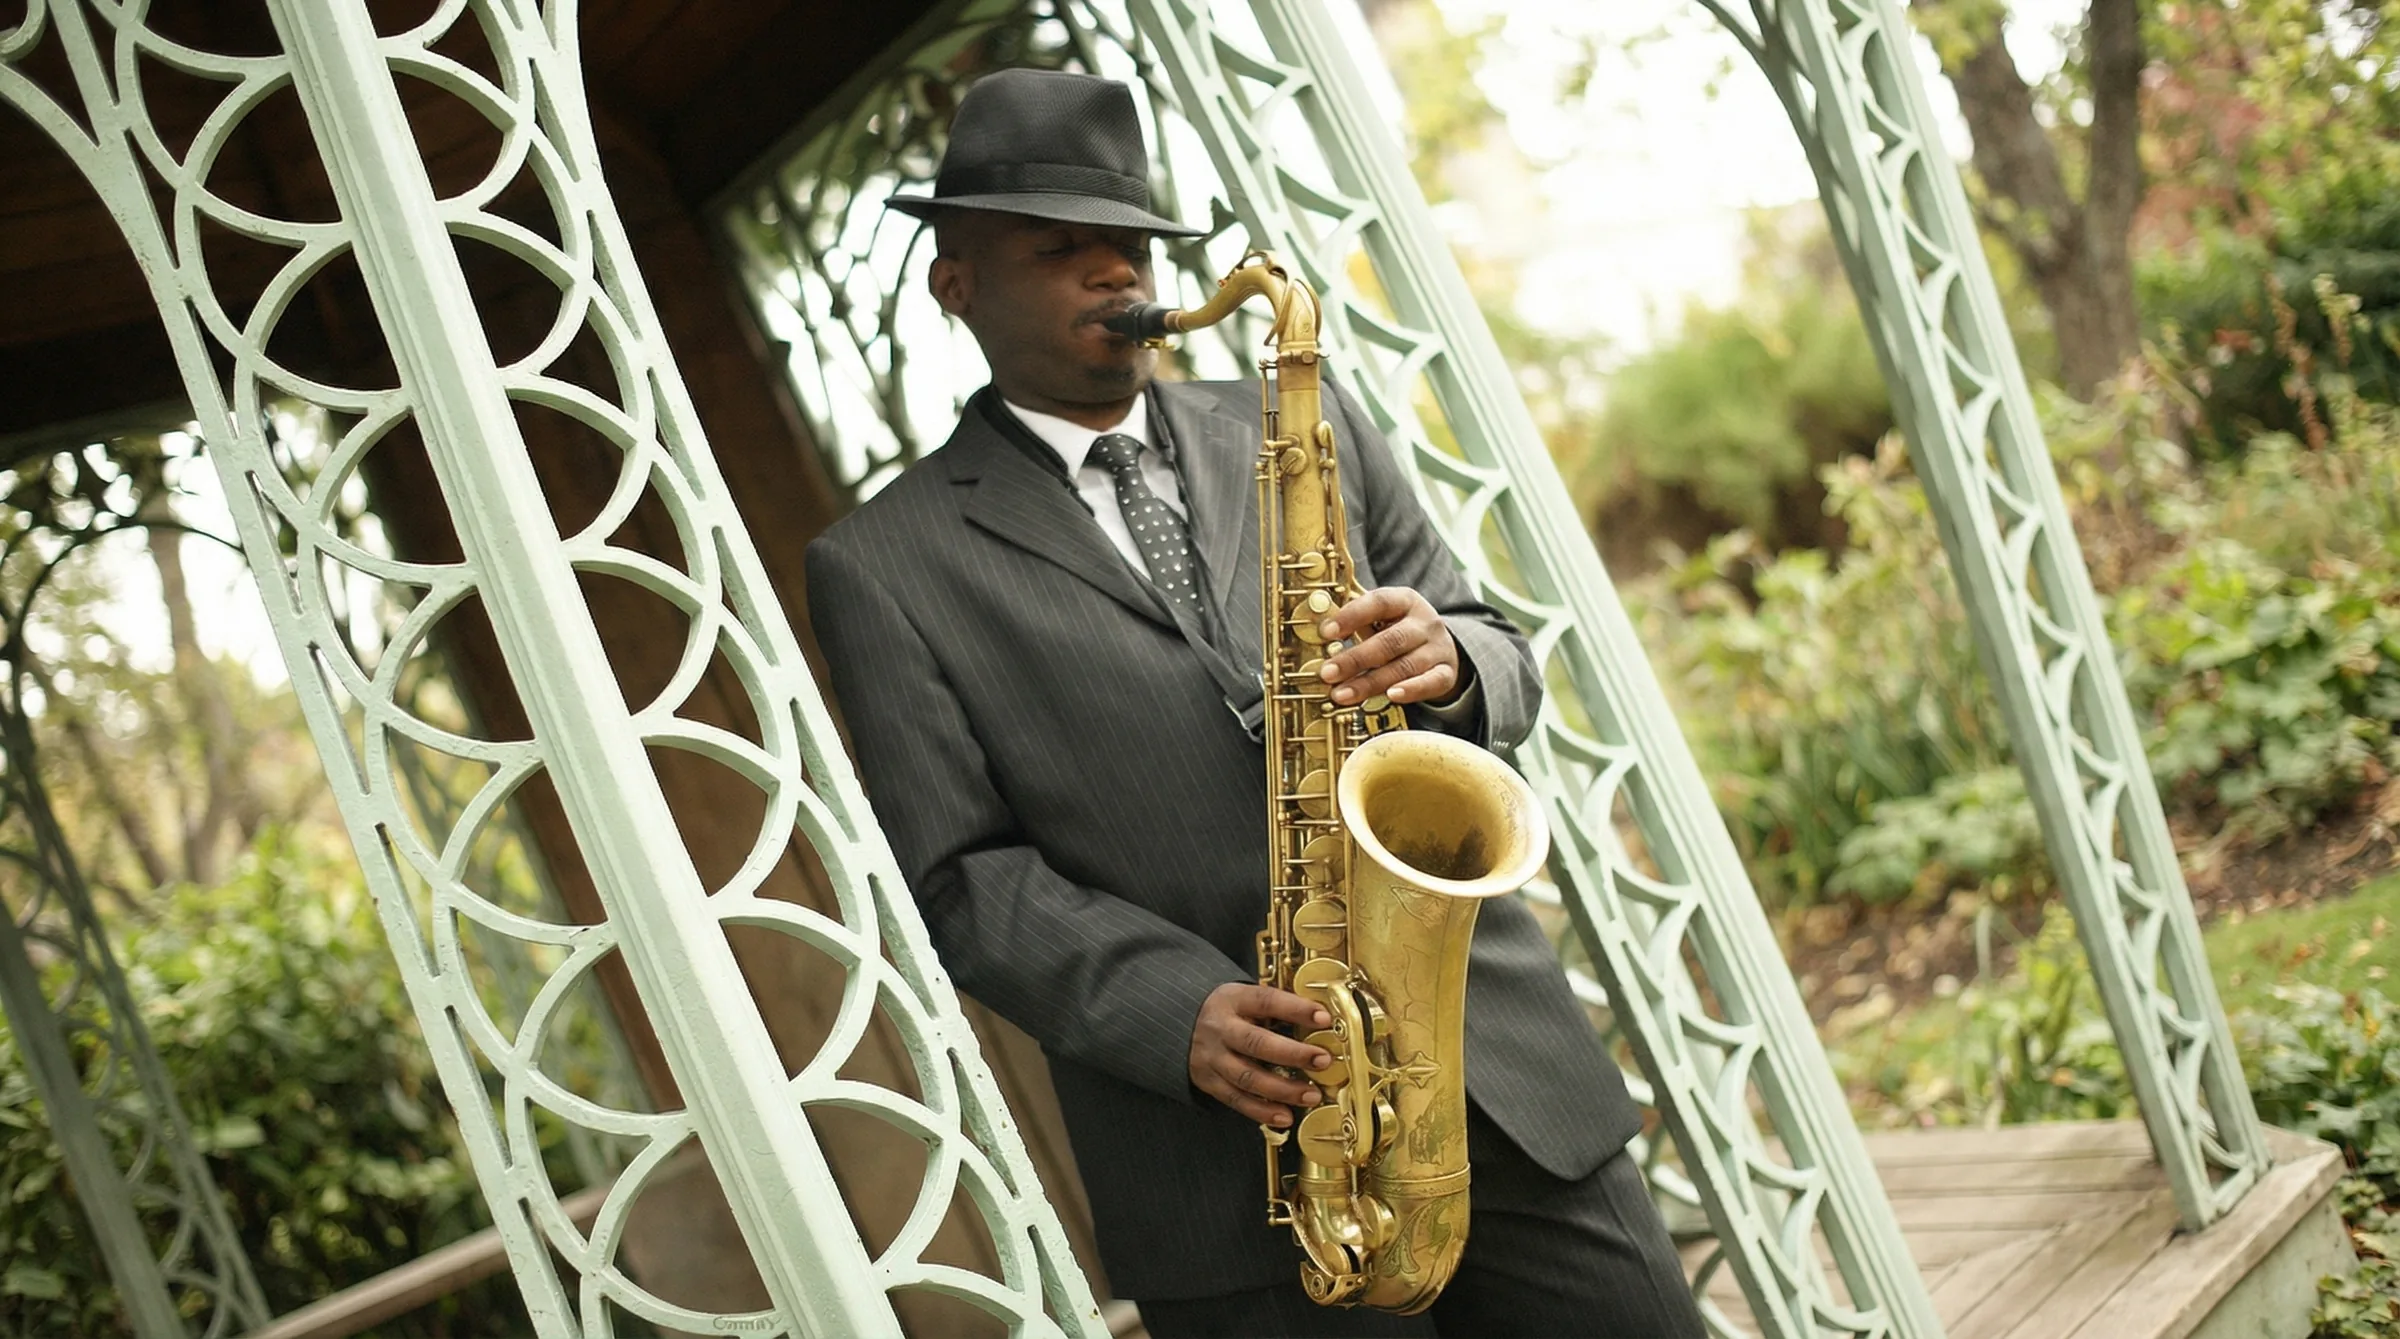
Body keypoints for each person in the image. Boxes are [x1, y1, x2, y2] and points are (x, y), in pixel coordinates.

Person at [804, 67, 1703, 1339]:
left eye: (1133, 246)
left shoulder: (1308, 421)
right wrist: (1174, 1012)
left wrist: (1446, 657)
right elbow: (958, 878)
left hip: (1498, 1080)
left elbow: (1500, 649)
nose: (1116, 274)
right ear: (957, 283)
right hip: (1237, 1173)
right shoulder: (882, 565)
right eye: (1060, 250)